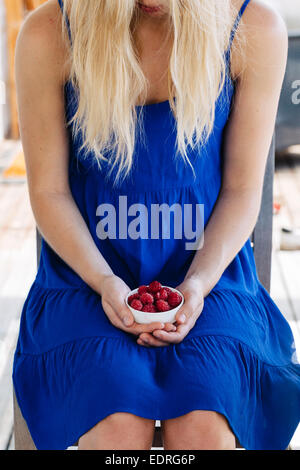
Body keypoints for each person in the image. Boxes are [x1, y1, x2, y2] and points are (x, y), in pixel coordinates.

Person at [12, 0, 300, 450]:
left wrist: (199, 283)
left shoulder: (254, 30)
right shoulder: (48, 33)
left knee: (204, 427)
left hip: (212, 277)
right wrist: (105, 280)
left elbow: (243, 190)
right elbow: (49, 193)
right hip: (86, 278)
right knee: (117, 430)